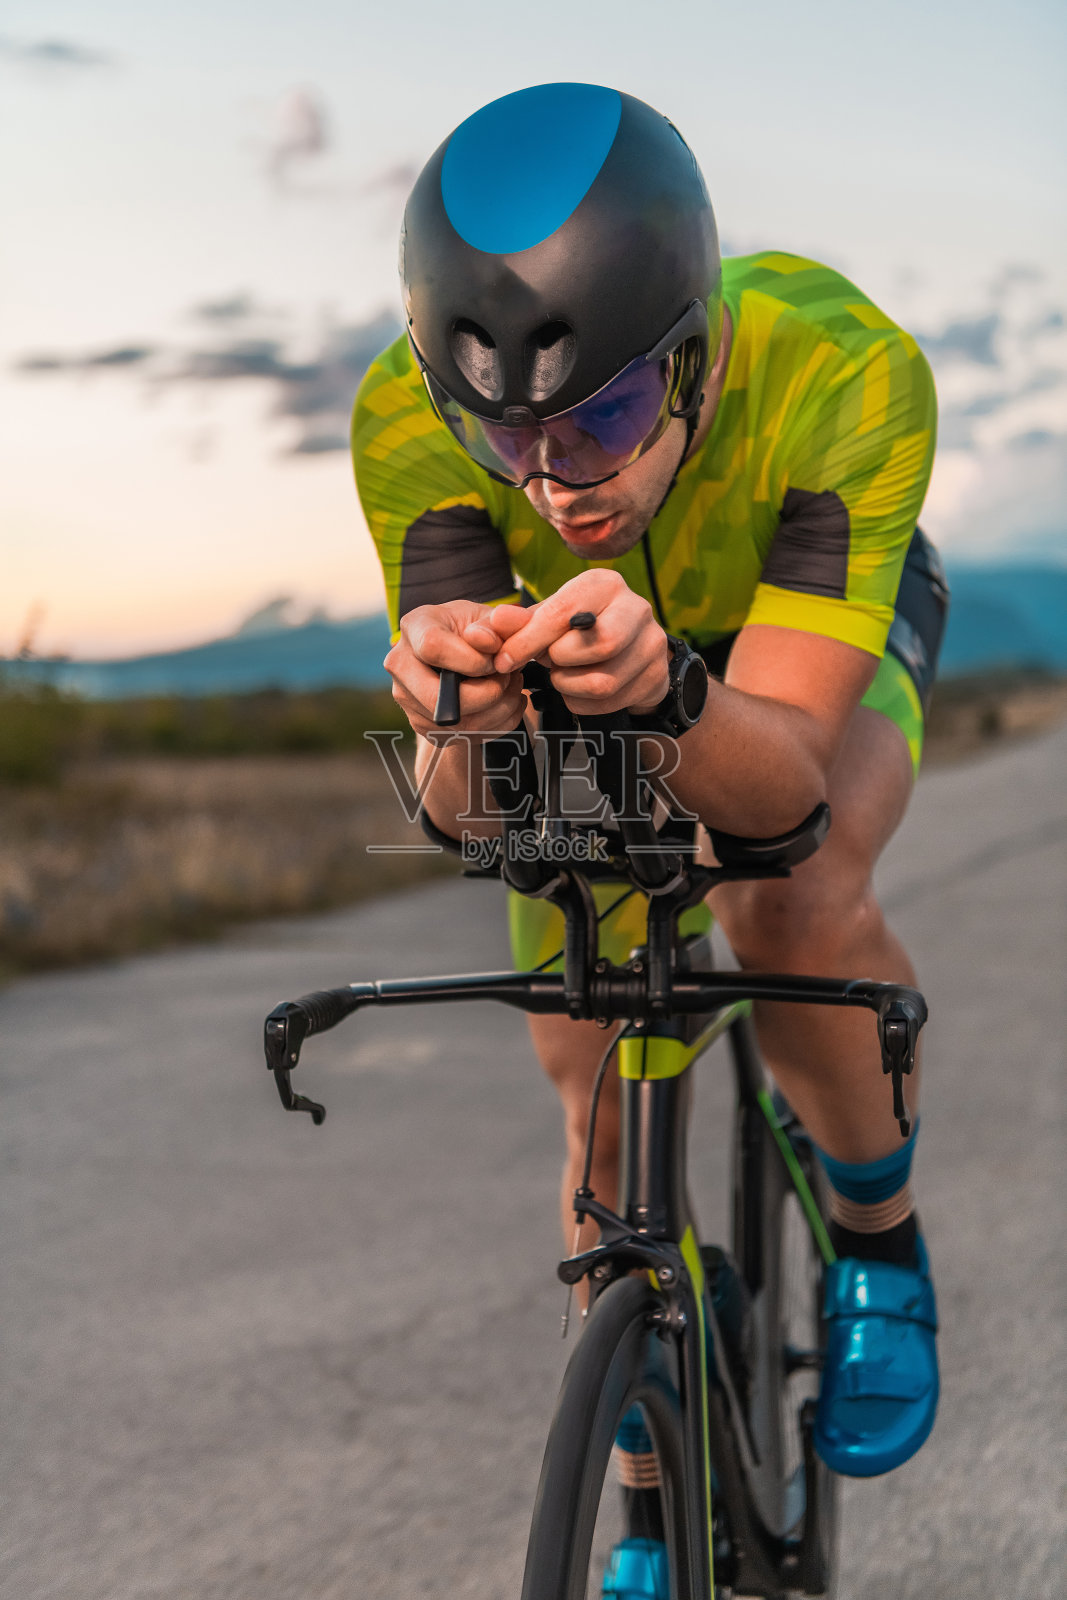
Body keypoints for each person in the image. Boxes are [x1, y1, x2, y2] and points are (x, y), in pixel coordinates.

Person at [352, 82, 947, 1592]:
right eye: (503, 435)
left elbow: (786, 781)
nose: (556, 482)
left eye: (606, 414)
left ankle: (879, 1243)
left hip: (793, 637)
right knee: (592, 1067)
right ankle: (642, 1490)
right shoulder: (409, 429)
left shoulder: (842, 372)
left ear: (697, 354)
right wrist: (456, 723)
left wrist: (676, 694)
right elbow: (461, 821)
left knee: (789, 899)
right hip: (601, 654)